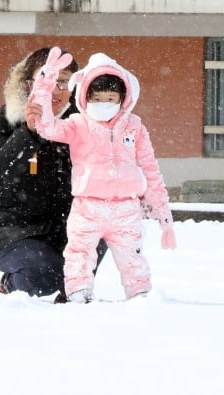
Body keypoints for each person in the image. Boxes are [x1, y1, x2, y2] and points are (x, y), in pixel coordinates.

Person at [30, 48, 176, 303]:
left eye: (111, 98)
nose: (104, 105)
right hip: (88, 206)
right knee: (79, 253)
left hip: (126, 209)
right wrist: (44, 85)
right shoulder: (77, 124)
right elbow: (46, 126)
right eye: (97, 99)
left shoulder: (134, 126)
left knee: (133, 257)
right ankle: (78, 293)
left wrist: (163, 214)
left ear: (123, 98)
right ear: (86, 98)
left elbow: (150, 168)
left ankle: (141, 296)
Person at [0, 47, 107, 303]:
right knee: (42, 273)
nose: (56, 89)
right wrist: (29, 132)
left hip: (64, 227)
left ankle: (71, 292)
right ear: (29, 84)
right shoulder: (4, 121)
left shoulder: (82, 125)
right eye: (48, 79)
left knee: (102, 227)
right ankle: (10, 284)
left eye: (64, 82)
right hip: (13, 231)